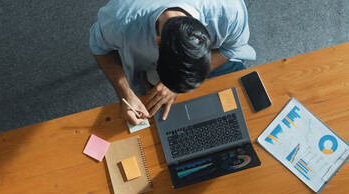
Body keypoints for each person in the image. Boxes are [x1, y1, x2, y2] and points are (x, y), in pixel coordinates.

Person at [90, 0, 255, 126]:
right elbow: (100, 49)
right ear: (157, 41)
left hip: (216, 60)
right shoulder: (119, 21)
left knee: (246, 116)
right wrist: (125, 93)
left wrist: (173, 88)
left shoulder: (229, 11)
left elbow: (230, 48)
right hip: (154, 64)